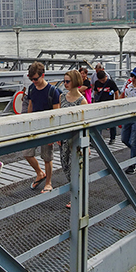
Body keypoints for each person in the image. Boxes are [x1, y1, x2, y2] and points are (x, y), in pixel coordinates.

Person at [24, 61, 60, 194]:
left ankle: (48, 183)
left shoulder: (52, 91)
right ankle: (40, 173)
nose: (33, 81)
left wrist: (53, 133)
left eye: (35, 79)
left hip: (47, 127)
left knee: (47, 157)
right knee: (27, 153)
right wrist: (28, 122)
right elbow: (30, 106)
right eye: (31, 79)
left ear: (43, 75)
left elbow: (56, 113)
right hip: (34, 126)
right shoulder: (32, 88)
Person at [59, 70, 88, 207]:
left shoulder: (82, 101)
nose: (65, 84)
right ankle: (76, 190)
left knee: (75, 167)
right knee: (65, 165)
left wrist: (86, 143)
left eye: (67, 81)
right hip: (64, 137)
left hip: (76, 139)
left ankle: (77, 194)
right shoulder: (62, 97)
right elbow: (59, 117)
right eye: (64, 81)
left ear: (75, 81)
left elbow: (85, 124)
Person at [93, 69, 120, 144]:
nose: (102, 82)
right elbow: (95, 92)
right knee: (99, 122)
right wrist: (94, 102)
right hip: (100, 104)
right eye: (101, 80)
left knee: (111, 122)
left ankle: (112, 137)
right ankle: (98, 139)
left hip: (109, 104)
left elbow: (116, 92)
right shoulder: (97, 83)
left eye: (103, 80)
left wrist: (116, 102)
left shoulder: (110, 82)